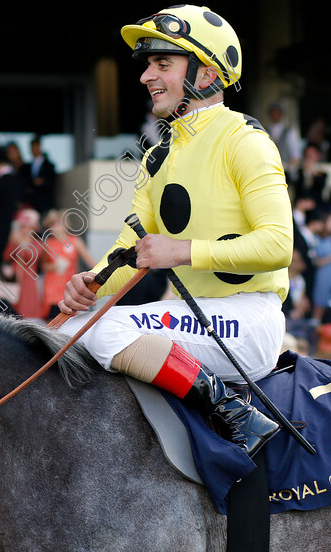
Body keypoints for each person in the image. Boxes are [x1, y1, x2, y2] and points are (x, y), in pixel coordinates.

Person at [58, 5, 289, 458]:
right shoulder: (156, 157)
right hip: (201, 318)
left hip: (250, 321)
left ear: (204, 74)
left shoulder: (245, 140)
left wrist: (182, 251)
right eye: (148, 65)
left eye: (163, 64)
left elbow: (278, 245)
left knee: (99, 332)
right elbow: (130, 250)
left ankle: (232, 412)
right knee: (68, 326)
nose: (147, 76)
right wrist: (91, 283)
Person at [39, 209, 96, 320]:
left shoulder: (74, 241)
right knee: (52, 318)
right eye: (52, 225)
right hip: (51, 287)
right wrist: (53, 266)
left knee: (69, 316)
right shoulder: (48, 243)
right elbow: (43, 266)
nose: (55, 228)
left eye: (58, 224)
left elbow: (90, 261)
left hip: (68, 285)